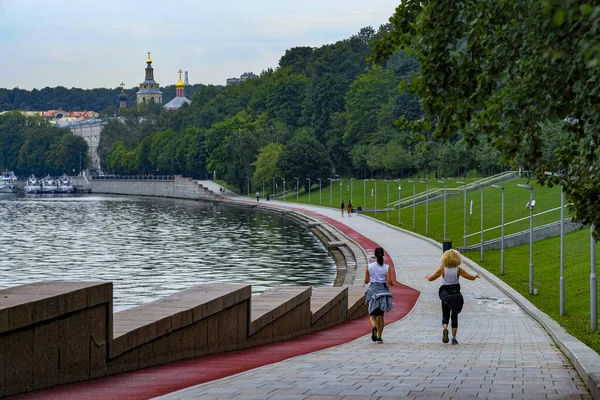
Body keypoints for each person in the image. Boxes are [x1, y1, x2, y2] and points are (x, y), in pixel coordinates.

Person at [425, 249, 479, 345]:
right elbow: (470, 277)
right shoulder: (459, 270)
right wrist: (475, 276)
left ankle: (445, 328)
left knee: (445, 313)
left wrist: (428, 276)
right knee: (454, 315)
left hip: (445, 295)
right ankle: (454, 338)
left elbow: (431, 279)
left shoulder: (442, 269)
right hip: (455, 294)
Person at [364, 247, 394, 343]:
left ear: (375, 255)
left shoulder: (369, 266)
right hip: (383, 292)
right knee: (381, 316)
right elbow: (389, 281)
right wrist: (393, 284)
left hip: (372, 291)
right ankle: (379, 337)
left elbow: (366, 281)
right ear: (383, 255)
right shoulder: (387, 267)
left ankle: (374, 327)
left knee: (372, 315)